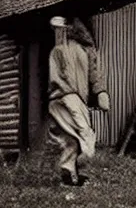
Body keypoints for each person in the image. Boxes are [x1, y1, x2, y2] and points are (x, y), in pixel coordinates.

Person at [47, 16, 110, 186]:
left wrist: (100, 91)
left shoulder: (83, 51)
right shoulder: (57, 52)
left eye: (60, 29)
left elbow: (94, 74)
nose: (58, 32)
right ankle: (81, 170)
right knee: (84, 136)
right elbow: (56, 79)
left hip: (71, 99)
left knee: (73, 139)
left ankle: (71, 176)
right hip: (65, 98)